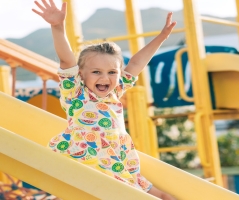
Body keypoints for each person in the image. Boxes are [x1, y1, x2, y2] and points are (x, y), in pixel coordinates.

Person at [32, 0, 177, 199]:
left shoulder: (116, 92)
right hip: (87, 164)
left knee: (165, 197)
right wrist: (57, 27)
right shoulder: (76, 93)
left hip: (118, 162)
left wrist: (161, 37)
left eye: (111, 72)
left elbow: (136, 62)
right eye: (96, 72)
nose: (104, 78)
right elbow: (66, 60)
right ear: (81, 74)